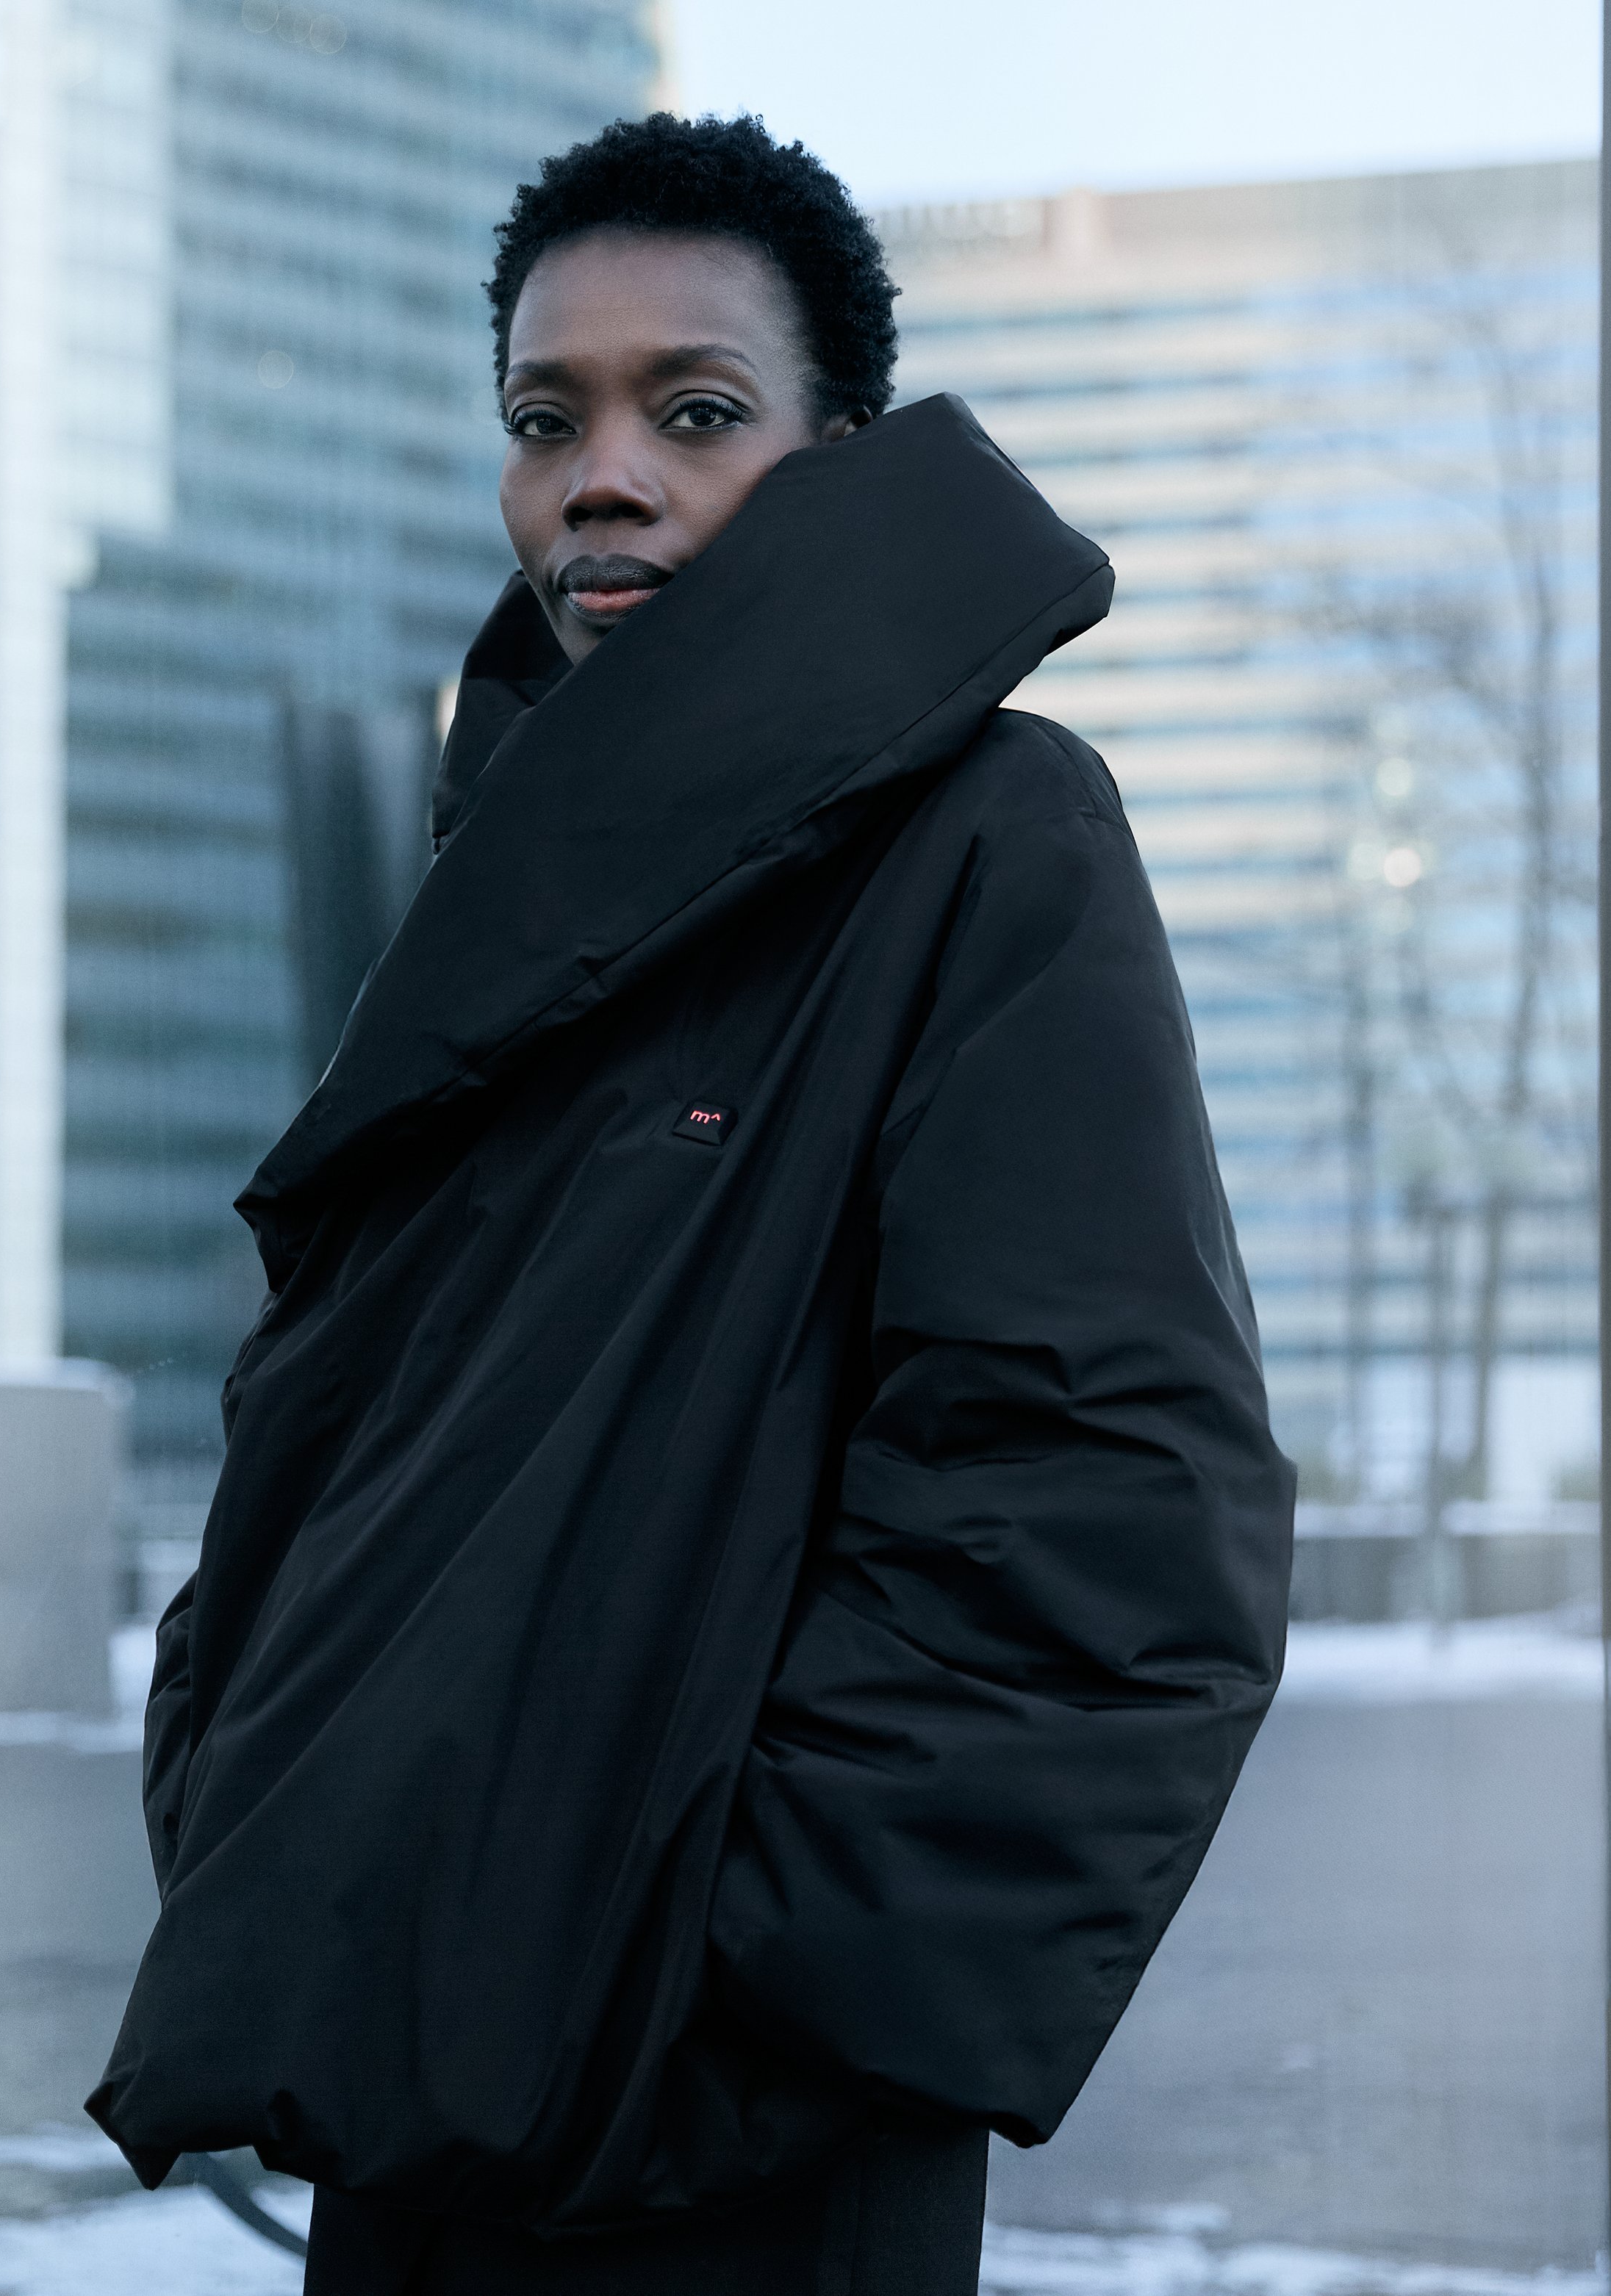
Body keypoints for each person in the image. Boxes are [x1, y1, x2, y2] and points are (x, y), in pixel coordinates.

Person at [87, 113, 1294, 2295]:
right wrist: (241, 1796)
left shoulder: (986, 839)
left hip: (726, 2143)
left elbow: (1100, 1505)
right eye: (544, 420)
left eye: (697, 409)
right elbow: (345, 1441)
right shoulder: (502, 895)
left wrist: (753, 2006)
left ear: (836, 449)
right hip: (417, 2078)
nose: (600, 475)